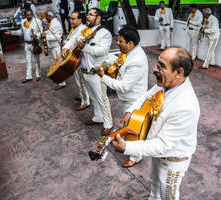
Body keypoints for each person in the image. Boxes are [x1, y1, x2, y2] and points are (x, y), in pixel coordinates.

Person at [111, 47, 200, 200]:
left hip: (172, 162)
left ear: (178, 73)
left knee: (168, 195)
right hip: (159, 156)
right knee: (154, 186)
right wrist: (130, 112)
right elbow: (146, 96)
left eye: (161, 66)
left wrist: (128, 147)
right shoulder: (167, 84)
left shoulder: (185, 106)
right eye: (157, 64)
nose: (154, 69)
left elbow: (163, 145)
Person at [94, 26, 148, 168]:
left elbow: (124, 86)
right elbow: (119, 60)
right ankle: (126, 143)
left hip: (134, 100)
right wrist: (108, 62)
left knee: (134, 129)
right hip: (127, 98)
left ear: (130, 43)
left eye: (121, 41)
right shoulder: (129, 51)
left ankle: (136, 156)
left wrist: (103, 77)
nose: (117, 43)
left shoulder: (137, 61)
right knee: (127, 125)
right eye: (118, 39)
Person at [62, 8, 113, 135]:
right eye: (88, 14)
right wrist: (66, 47)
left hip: (97, 73)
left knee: (102, 99)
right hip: (84, 71)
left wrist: (85, 47)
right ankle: (97, 117)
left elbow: (102, 51)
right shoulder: (84, 31)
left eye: (91, 15)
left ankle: (108, 123)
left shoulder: (104, 33)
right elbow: (72, 40)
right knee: (93, 98)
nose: (88, 17)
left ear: (98, 18)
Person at [5, 8, 42, 83]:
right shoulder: (23, 22)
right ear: (25, 15)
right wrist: (12, 33)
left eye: (30, 15)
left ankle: (38, 75)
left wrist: (37, 35)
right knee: (28, 61)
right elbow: (21, 32)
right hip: (26, 44)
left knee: (36, 60)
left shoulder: (37, 21)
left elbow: (41, 31)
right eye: (27, 15)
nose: (29, 16)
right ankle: (29, 77)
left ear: (32, 14)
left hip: (35, 44)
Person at [62, 11, 89, 111]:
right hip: (74, 57)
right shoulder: (75, 29)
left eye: (73, 19)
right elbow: (70, 39)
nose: (70, 20)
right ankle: (82, 95)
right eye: (70, 18)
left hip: (78, 59)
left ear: (80, 20)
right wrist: (65, 43)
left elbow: (75, 41)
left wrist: (66, 46)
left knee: (81, 81)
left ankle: (85, 102)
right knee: (79, 81)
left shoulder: (82, 29)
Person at [42, 10, 66, 90]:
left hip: (56, 48)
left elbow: (57, 37)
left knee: (58, 66)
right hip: (53, 47)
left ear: (49, 16)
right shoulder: (52, 22)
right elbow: (51, 33)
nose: (45, 18)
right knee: (56, 65)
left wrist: (46, 36)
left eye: (46, 16)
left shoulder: (55, 23)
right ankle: (60, 80)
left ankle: (62, 83)